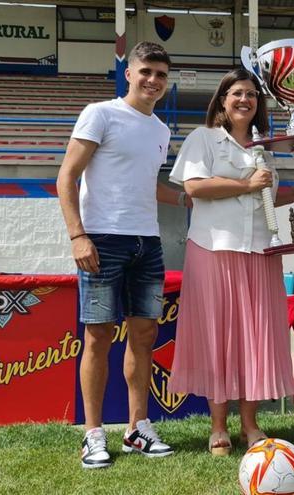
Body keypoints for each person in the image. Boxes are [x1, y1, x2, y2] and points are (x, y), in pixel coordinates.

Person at [57, 41, 190, 469]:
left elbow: (148, 184)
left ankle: (137, 427)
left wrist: (196, 198)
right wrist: (78, 235)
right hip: (102, 241)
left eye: (161, 75)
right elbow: (67, 176)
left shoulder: (160, 130)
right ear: (129, 73)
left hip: (146, 243)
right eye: (146, 71)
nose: (153, 80)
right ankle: (93, 435)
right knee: (97, 336)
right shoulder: (100, 113)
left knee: (145, 335)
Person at [168, 68, 294, 456]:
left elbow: (268, 196)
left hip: (260, 249)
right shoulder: (203, 138)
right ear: (223, 100)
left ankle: (251, 424)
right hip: (213, 249)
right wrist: (246, 185)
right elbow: (194, 188)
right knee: (217, 337)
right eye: (237, 93)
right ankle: (217, 427)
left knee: (252, 338)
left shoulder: (266, 147)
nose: (245, 100)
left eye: (252, 95)